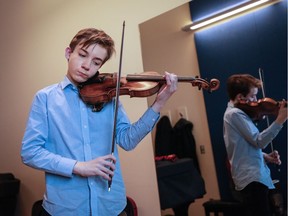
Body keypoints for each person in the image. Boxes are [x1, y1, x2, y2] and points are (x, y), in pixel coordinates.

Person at [21, 28, 178, 216]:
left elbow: (127, 140)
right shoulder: (45, 98)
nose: (87, 66)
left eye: (96, 62)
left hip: (111, 206)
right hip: (65, 209)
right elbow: (30, 152)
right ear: (68, 53)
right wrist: (78, 167)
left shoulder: (109, 97)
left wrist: (159, 102)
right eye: (82, 55)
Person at [223, 74, 287, 216]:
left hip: (254, 176)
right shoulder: (234, 114)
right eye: (253, 96)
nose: (256, 101)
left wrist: (265, 157)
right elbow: (259, 141)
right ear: (240, 97)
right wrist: (280, 119)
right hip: (251, 178)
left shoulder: (236, 113)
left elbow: (242, 148)